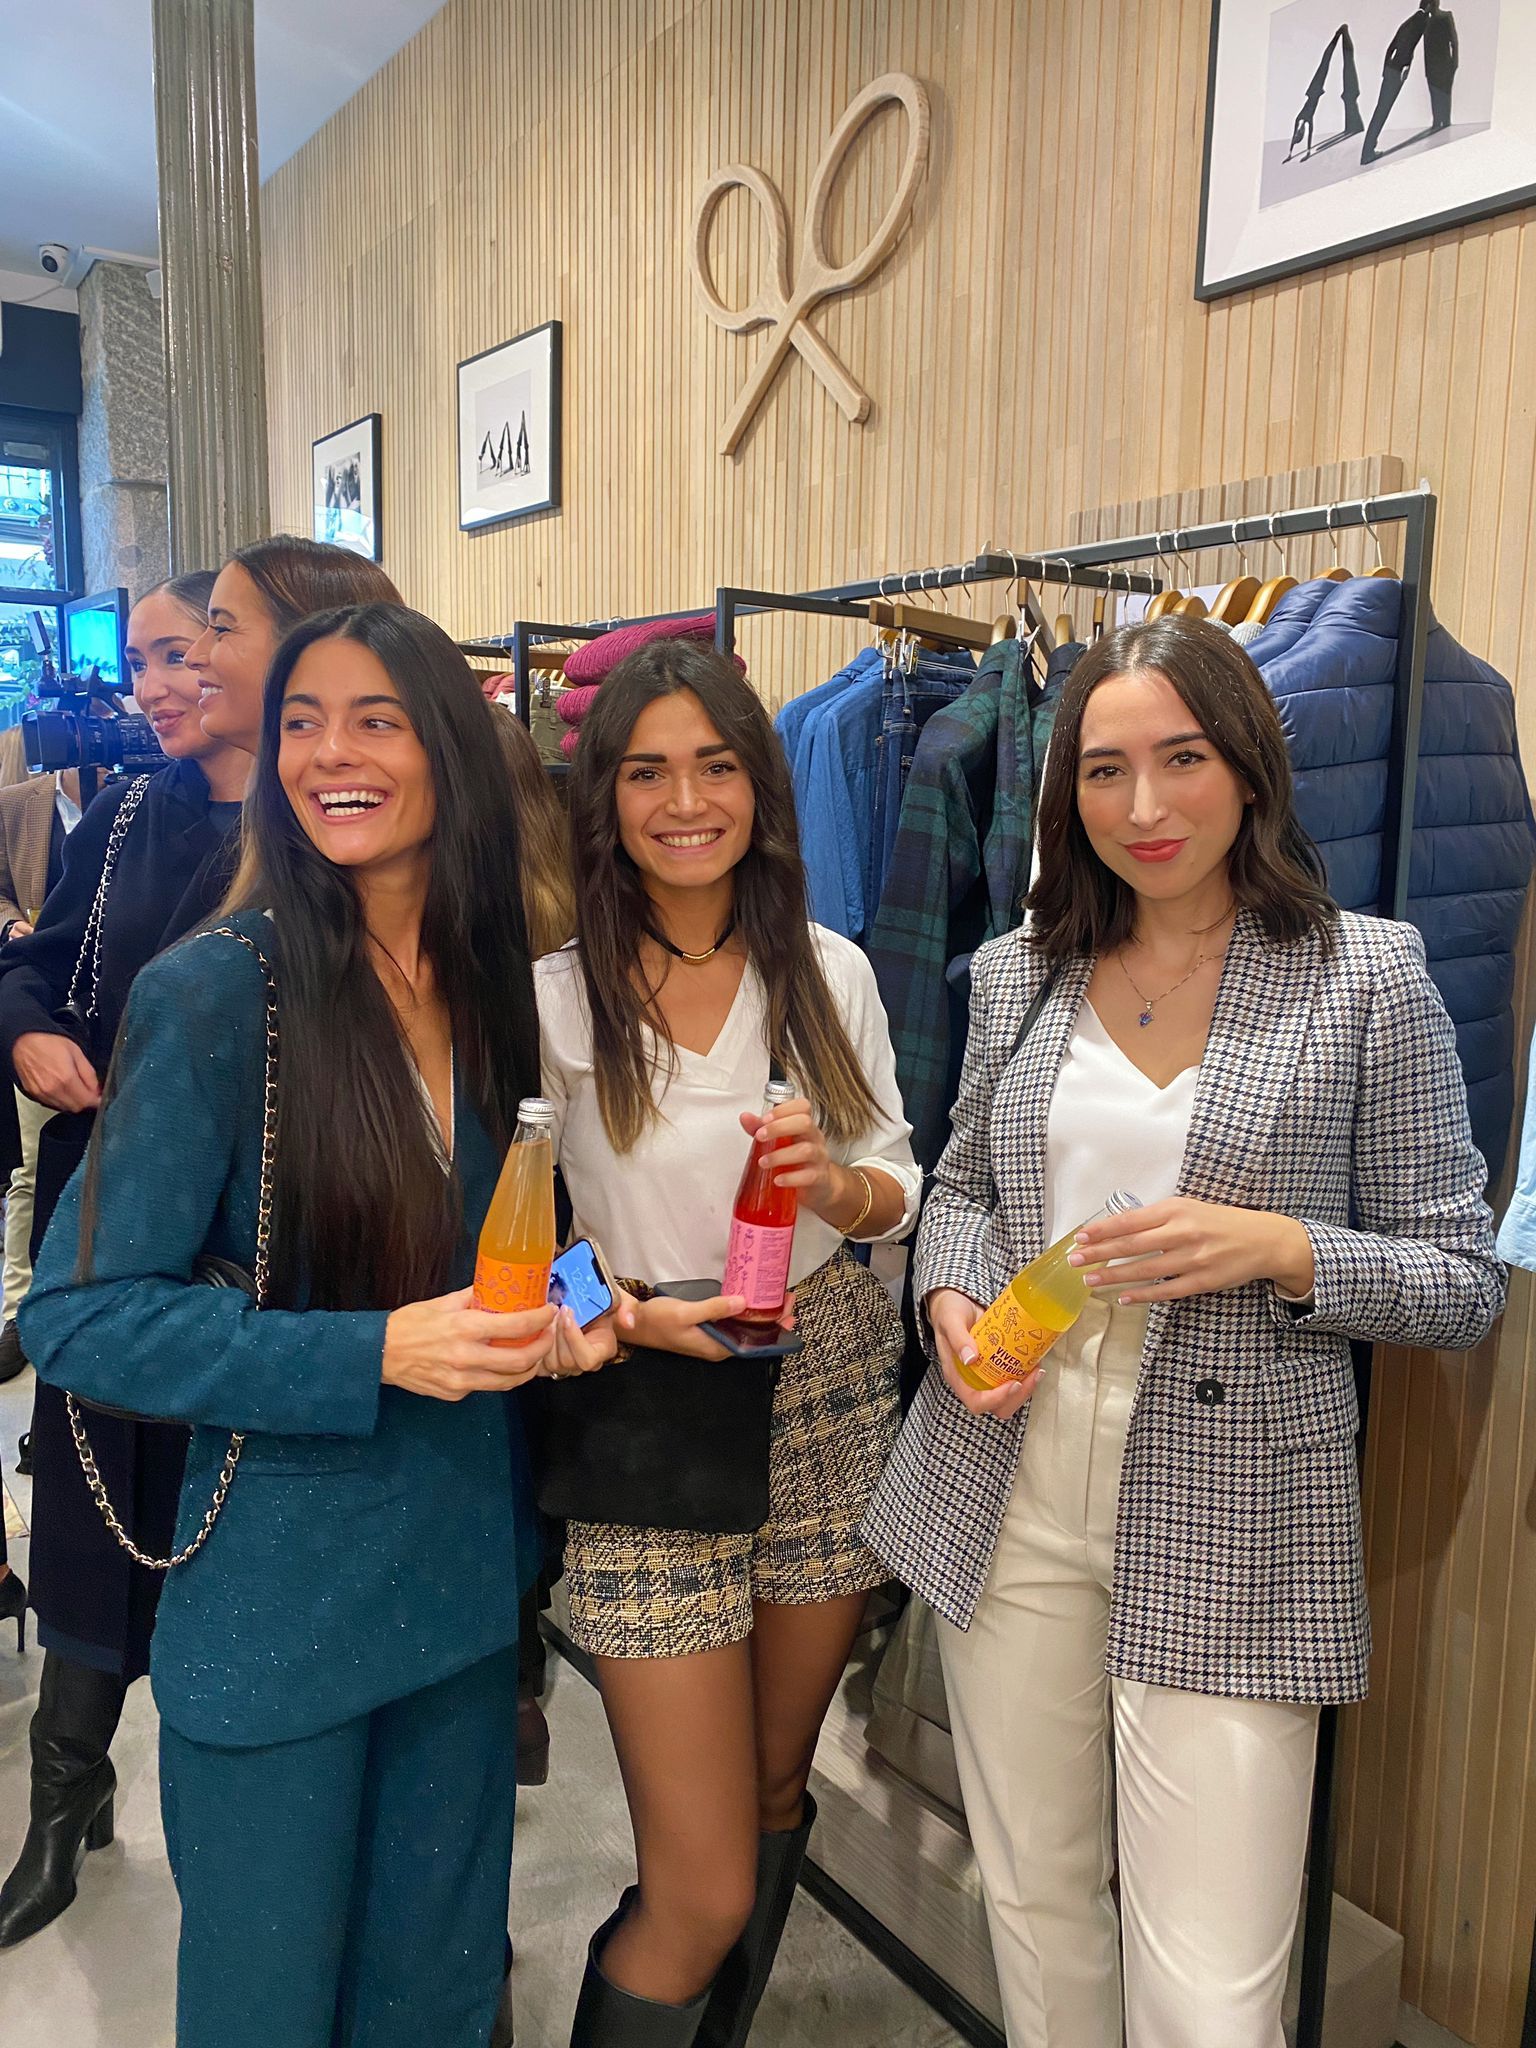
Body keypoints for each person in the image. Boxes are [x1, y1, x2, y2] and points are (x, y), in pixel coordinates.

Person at [861, 616, 1504, 2047]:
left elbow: (1460, 1279)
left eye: (1182, 759)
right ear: (1064, 792)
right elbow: (960, 1182)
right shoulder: (1024, 968)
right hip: (1006, 1473)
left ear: (1249, 768)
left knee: (1211, 1993)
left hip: (1239, 1500)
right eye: (1104, 771)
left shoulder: (1364, 976)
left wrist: (1280, 1248)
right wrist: (952, 1295)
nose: (1143, 809)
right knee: (1034, 1910)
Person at [22, 601, 614, 2046]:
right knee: (270, 2009)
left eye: (374, 720)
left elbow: (532, 1227)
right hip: (279, 1598)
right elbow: (80, 1317)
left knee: (434, 1997)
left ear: (450, 755)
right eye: (300, 720)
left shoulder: (492, 983)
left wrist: (596, 1313)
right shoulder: (217, 993)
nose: (327, 755)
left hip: (462, 1583)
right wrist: (376, 1351)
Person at [0, 545, 400, 1953]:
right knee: (92, 1511)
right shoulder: (123, 815)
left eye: (198, 643)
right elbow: (33, 965)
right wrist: (32, 1034)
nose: (161, 678)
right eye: (159, 653)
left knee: (223, 1510)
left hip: (272, 1249)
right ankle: (64, 1801)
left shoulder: (325, 831)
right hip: (112, 1217)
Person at [539, 639, 921, 2046]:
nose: (685, 799)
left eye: (716, 766)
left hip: (821, 1370)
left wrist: (834, 1187)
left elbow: (899, 1183)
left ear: (761, 784)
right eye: (647, 771)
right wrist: (617, 1316)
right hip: (642, 1391)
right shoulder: (554, 993)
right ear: (606, 797)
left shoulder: (827, 973)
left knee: (770, 1792)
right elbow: (515, 1245)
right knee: (694, 1885)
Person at [0, 757, 82, 1381]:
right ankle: (19, 1313)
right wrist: (11, 925)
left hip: (120, 1016)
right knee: (31, 1167)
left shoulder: (149, 800)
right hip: (40, 1003)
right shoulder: (21, 804)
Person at [1361, 2, 1432, 161]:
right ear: (1429, 5)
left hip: (1391, 69)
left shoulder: (1407, 21)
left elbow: (1391, 47)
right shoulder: (1422, 20)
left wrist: (1386, 69)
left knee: (1380, 109)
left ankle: (1367, 149)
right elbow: (1410, 45)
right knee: (1383, 111)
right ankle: (1367, 153)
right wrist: (1406, 67)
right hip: (1398, 71)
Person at [1423, 0, 1459, 130]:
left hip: (1444, 63)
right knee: (1435, 94)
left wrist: (1455, 62)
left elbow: (1453, 41)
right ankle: (1437, 122)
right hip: (1432, 65)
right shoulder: (1426, 21)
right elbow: (1426, 46)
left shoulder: (1445, 17)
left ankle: (1445, 122)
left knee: (1444, 94)